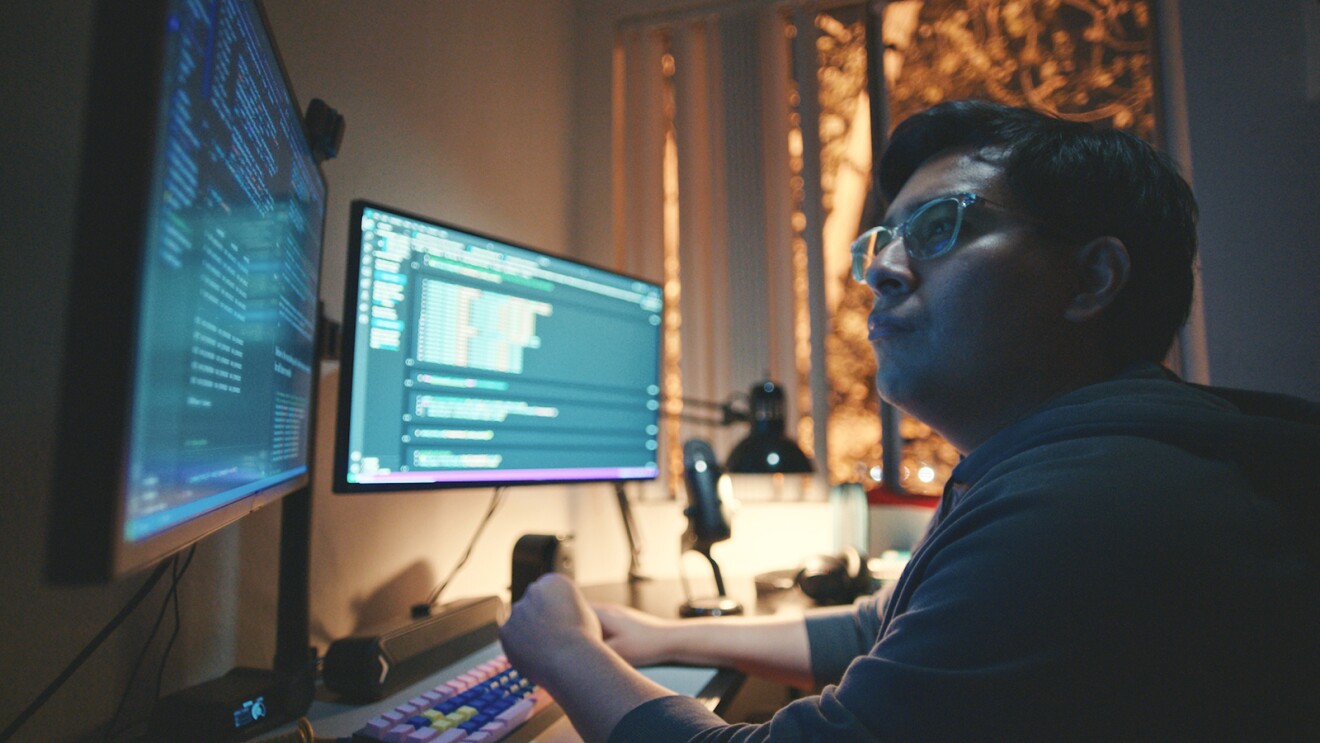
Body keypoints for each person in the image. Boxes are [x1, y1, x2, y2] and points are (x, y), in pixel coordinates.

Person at [498, 100, 1320, 742]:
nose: (883, 270)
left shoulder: (1091, 506)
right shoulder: (1072, 460)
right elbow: (877, 625)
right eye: (882, 240)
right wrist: (653, 634)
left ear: (1092, 278)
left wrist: (563, 650)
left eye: (938, 228)